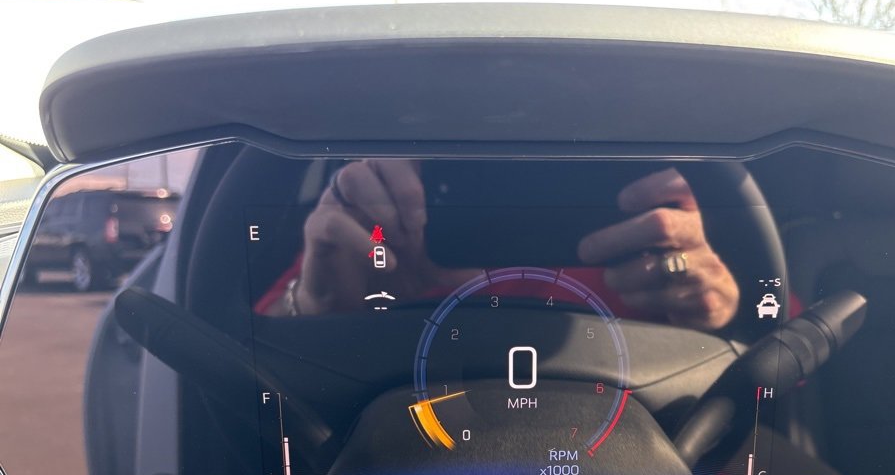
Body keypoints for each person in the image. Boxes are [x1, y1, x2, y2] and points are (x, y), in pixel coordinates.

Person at [258, 159, 739, 331]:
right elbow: (246, 356)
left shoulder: (663, 221)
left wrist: (718, 307)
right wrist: (316, 306)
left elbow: (776, 348)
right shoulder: (378, 219)